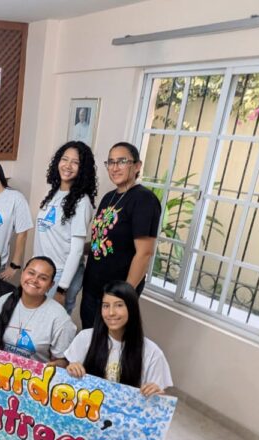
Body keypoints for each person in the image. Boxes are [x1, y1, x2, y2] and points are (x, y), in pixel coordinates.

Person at [81, 142, 161, 328]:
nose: (115, 167)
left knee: (109, 342)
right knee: (89, 337)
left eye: (122, 161)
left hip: (117, 293)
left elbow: (144, 253)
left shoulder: (143, 199)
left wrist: (124, 295)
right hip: (93, 287)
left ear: (137, 166)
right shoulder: (109, 197)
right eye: (111, 162)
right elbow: (100, 241)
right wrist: (73, 247)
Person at [66, 280, 172, 397]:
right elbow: (70, 384)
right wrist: (72, 369)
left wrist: (155, 392)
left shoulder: (152, 353)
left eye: (119, 305)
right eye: (106, 306)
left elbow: (158, 399)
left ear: (132, 308)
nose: (111, 312)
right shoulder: (85, 338)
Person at [35, 141, 97, 314]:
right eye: (65, 159)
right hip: (43, 269)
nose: (68, 165)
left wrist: (62, 288)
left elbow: (77, 250)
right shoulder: (54, 193)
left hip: (61, 274)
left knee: (53, 324)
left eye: (75, 162)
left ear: (83, 169)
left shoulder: (81, 202)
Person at [0, 256, 76, 365]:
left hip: (35, 375)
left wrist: (54, 365)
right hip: (0, 370)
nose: (34, 280)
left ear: (51, 285)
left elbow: (63, 361)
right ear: (22, 273)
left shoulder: (60, 318)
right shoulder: (3, 301)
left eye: (43, 278)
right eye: (31, 273)